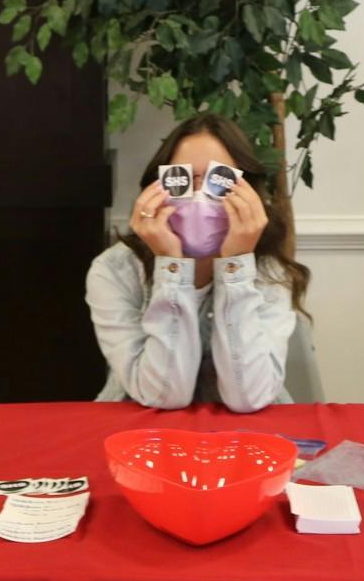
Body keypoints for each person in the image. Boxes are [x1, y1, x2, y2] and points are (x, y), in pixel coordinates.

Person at [87, 114, 309, 412]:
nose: (200, 198)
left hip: (246, 436)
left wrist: (235, 267)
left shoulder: (270, 271)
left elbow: (248, 397)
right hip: (143, 432)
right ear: (156, 186)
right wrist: (171, 266)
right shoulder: (114, 271)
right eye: (184, 179)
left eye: (220, 180)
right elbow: (164, 395)